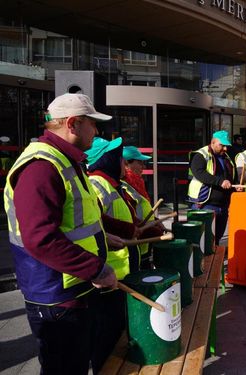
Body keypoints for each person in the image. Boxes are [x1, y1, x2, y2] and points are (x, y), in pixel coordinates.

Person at [3, 93, 120, 374]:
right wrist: (96, 269)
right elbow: (40, 238)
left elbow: (81, 216)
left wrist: (109, 235)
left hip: (72, 289)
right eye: (92, 124)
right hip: (56, 297)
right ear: (73, 123)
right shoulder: (42, 167)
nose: (97, 131)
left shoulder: (65, 159)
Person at [85, 137, 164, 373]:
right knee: (106, 336)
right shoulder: (96, 184)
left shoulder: (116, 184)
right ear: (107, 159)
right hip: (109, 274)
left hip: (125, 268)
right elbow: (98, 222)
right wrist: (131, 229)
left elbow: (126, 217)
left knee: (118, 329)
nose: (123, 163)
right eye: (118, 157)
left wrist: (141, 227)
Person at [188, 130, 239, 245]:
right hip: (204, 203)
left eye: (226, 146)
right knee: (203, 240)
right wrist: (220, 181)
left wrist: (235, 186)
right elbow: (199, 173)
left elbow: (230, 176)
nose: (225, 149)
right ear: (213, 142)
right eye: (222, 145)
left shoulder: (226, 157)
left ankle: (213, 261)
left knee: (216, 239)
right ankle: (204, 262)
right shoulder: (200, 155)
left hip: (222, 205)